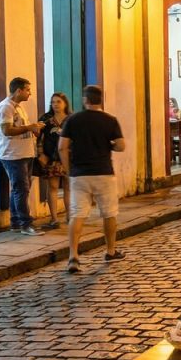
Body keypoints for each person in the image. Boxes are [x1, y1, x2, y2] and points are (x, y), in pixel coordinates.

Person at [60, 85, 126, 273]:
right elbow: (121, 146)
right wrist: (109, 145)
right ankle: (110, 251)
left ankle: (73, 256)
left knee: (77, 214)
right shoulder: (110, 120)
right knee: (109, 213)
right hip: (104, 172)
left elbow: (61, 146)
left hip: (79, 174)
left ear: (85, 100)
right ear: (100, 100)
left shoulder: (73, 120)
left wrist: (67, 169)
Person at [0, 77, 45, 235]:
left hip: (25, 153)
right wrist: (29, 127)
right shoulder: (5, 107)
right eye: (28, 90)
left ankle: (15, 221)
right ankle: (26, 224)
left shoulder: (19, 107)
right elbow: (7, 130)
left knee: (19, 190)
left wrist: (33, 130)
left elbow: (21, 127)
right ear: (18, 91)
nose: (30, 93)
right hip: (13, 155)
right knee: (21, 190)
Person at [37, 92, 71, 229]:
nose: (55, 104)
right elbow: (38, 137)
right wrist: (40, 154)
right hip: (51, 157)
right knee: (53, 187)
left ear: (65, 103)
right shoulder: (45, 119)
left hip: (68, 157)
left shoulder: (71, 119)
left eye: (58, 102)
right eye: (53, 102)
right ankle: (54, 218)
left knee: (69, 187)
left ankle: (70, 216)